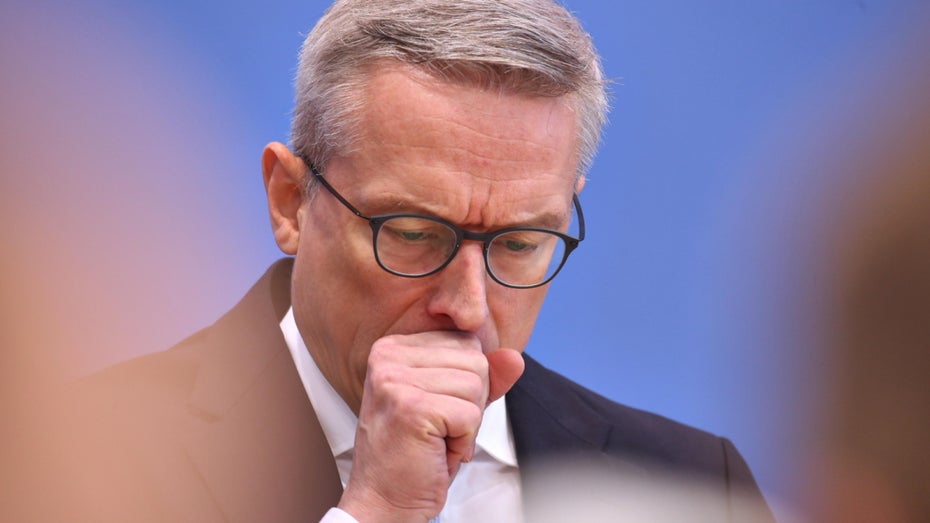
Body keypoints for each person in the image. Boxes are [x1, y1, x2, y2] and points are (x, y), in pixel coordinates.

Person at [47, 1, 774, 521]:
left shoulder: (692, 486)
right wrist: (375, 513)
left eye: (519, 242)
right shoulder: (68, 460)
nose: (468, 306)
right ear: (290, 201)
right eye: (413, 232)